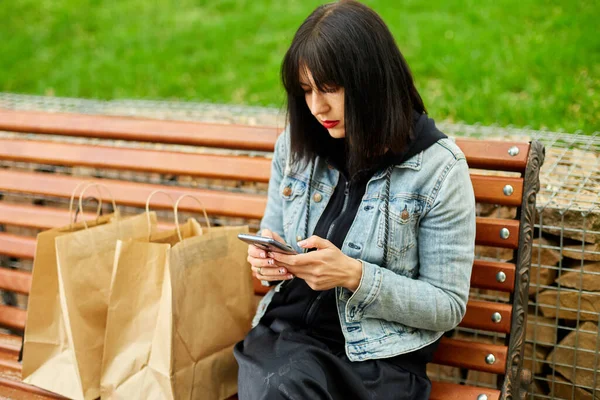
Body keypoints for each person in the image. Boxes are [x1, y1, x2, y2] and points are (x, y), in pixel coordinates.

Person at [234, 1, 476, 398]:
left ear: (371, 82)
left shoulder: (438, 169)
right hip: (288, 338)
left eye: (329, 88)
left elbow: (447, 305)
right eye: (306, 90)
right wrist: (267, 260)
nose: (317, 107)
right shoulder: (295, 148)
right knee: (283, 384)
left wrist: (354, 275)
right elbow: (272, 230)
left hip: (378, 361)